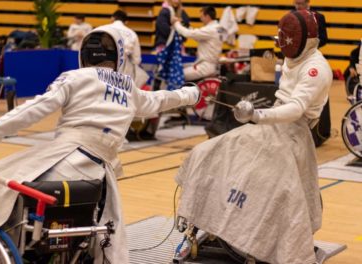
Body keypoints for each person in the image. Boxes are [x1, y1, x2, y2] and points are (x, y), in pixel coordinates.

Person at [0, 26, 200, 263]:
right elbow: (161, 99)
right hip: (99, 177)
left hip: (63, 160)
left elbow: (31, 110)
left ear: (84, 54)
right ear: (119, 56)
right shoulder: (129, 90)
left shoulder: (75, 77)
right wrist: (193, 94)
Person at [175, 10, 332, 264]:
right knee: (205, 153)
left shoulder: (317, 69)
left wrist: (257, 115)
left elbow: (296, 109)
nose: (283, 44)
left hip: (293, 135)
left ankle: (267, 243)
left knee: (272, 186)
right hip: (269, 127)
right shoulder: (295, 58)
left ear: (306, 39)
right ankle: (199, 223)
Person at [171, 6, 223, 81]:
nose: (200, 19)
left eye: (202, 16)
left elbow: (189, 34)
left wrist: (176, 24)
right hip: (211, 65)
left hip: (205, 67)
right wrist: (185, 26)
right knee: (181, 67)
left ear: (207, 16)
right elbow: (199, 36)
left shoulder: (210, 30)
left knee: (177, 75)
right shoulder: (219, 28)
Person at [107, 9, 149, 88]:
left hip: (101, 72)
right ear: (126, 22)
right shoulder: (132, 34)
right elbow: (137, 59)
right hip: (123, 75)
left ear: (112, 18)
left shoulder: (101, 29)